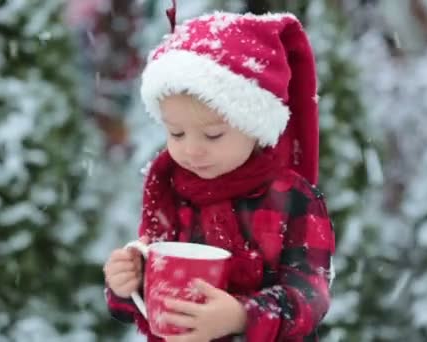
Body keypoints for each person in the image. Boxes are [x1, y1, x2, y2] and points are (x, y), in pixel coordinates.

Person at [103, 10, 336, 342]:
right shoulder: (171, 188)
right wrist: (128, 283)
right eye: (177, 133)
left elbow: (311, 296)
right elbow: (156, 292)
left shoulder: (293, 198)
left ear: (255, 127)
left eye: (212, 135)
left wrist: (242, 316)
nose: (192, 151)